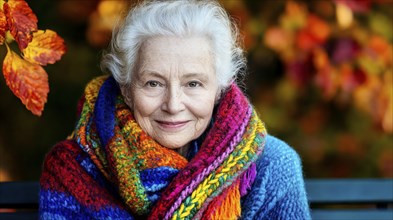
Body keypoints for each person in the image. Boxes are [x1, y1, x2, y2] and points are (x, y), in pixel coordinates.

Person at [39, 0, 311, 219]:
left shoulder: (269, 166)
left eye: (193, 83)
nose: (173, 104)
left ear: (219, 89)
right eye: (153, 83)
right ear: (127, 88)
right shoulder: (73, 169)